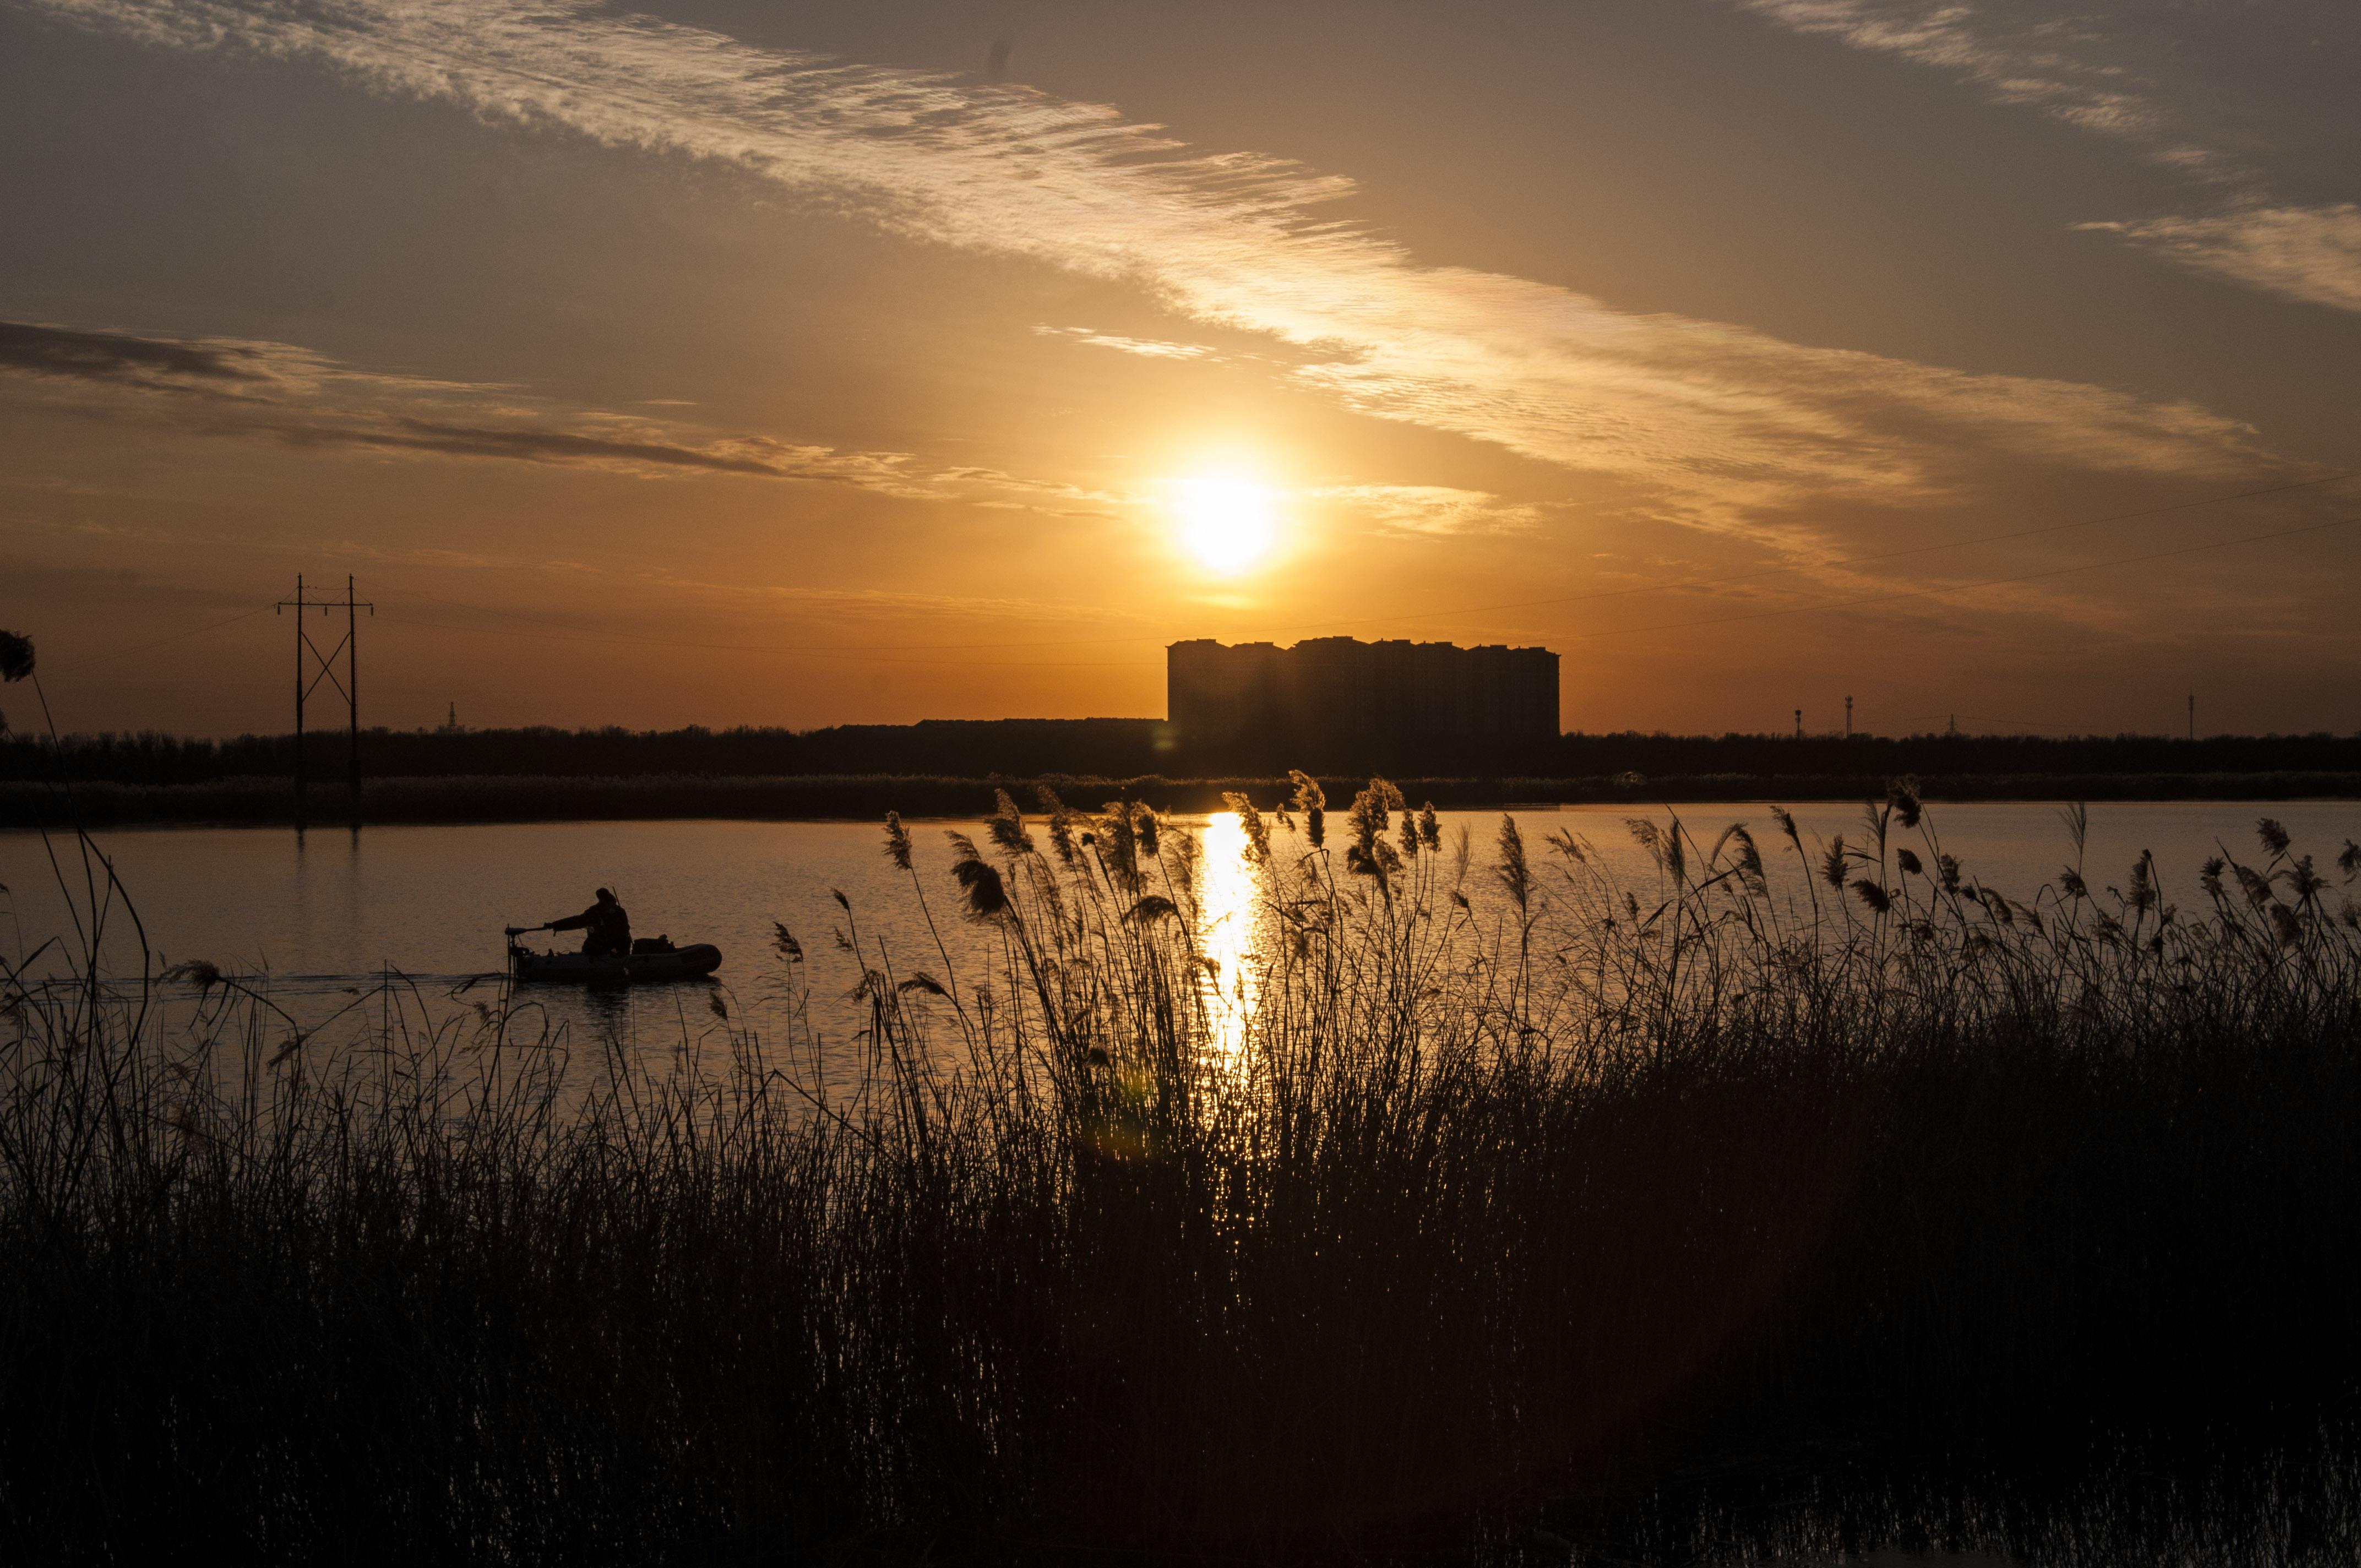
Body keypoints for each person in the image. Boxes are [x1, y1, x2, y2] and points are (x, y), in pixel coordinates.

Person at [543, 888, 631, 957]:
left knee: (592, 946)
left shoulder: (602, 912)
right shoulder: (598, 911)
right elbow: (576, 921)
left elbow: (577, 921)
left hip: (612, 948)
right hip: (609, 947)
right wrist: (555, 925)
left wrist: (555, 925)